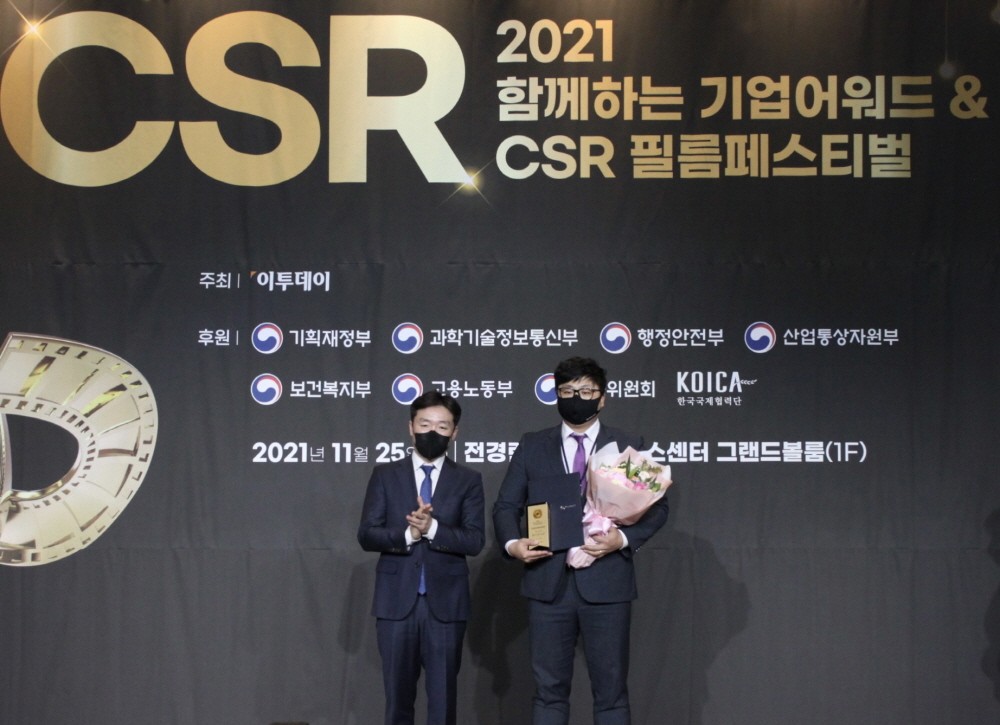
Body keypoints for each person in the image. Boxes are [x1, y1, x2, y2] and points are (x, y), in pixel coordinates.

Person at [492, 356, 669, 725]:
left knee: (611, 694)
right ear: (556, 395)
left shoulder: (627, 445)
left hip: (607, 584)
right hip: (547, 583)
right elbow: (506, 506)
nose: (577, 398)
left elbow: (657, 508)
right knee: (549, 693)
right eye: (568, 391)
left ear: (602, 398)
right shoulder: (532, 445)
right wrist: (512, 545)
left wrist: (622, 539)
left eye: (586, 391)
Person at [358, 391, 485, 725]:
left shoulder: (468, 480)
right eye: (425, 424)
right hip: (396, 603)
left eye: (442, 426)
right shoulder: (385, 475)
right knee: (397, 701)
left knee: (443, 703)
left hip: (446, 606)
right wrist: (408, 536)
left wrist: (432, 529)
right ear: (411, 427)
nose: (433, 432)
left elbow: (475, 540)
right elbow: (367, 534)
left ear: (454, 433)